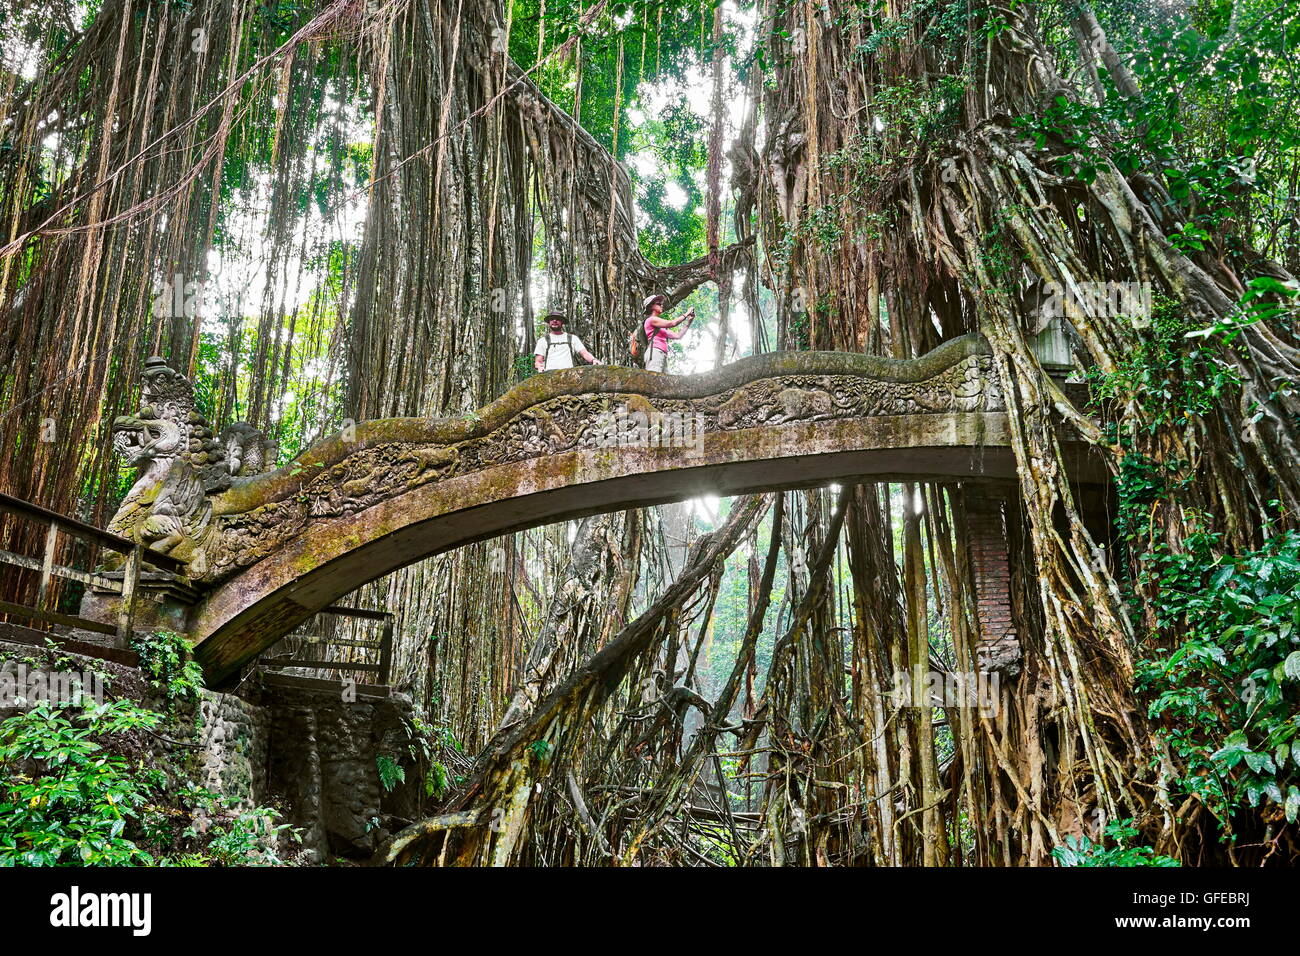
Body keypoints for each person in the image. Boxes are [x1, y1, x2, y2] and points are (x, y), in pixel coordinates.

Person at [642, 294, 695, 373]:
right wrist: (686, 313)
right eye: (658, 304)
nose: (661, 305)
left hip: (662, 354)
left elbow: (678, 336)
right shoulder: (651, 320)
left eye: (661, 304)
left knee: (663, 382)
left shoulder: (660, 326)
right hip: (655, 352)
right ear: (651, 306)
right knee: (654, 379)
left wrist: (689, 322)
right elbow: (672, 323)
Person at [534, 311, 599, 372]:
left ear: (562, 322)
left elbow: (584, 353)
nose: (554, 321)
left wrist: (594, 360)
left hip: (569, 375)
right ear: (549, 322)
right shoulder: (543, 340)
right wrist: (540, 367)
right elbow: (538, 361)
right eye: (552, 319)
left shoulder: (572, 338)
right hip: (550, 376)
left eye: (558, 319)